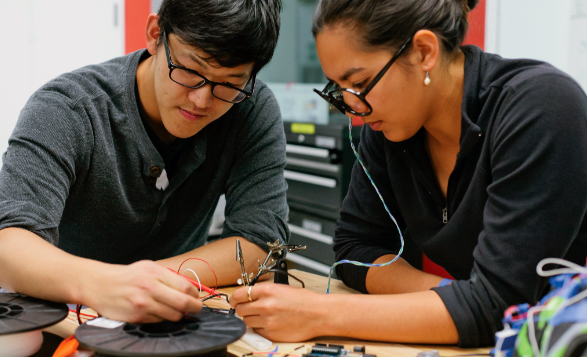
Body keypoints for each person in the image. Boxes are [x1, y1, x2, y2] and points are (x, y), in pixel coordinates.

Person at [230, 0, 587, 347]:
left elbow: (503, 308)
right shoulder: (388, 130)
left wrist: (322, 313)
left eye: (361, 82)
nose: (353, 106)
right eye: (340, 89)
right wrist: (456, 298)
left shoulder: (541, 109)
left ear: (424, 52)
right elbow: (354, 250)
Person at [0, 0, 288, 324]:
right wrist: (103, 285)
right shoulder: (68, 108)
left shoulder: (251, 112)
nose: (202, 100)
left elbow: (262, 243)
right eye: (190, 71)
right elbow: (5, 247)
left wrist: (143, 283)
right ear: (155, 34)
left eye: (229, 83)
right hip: (55, 319)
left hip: (168, 319)